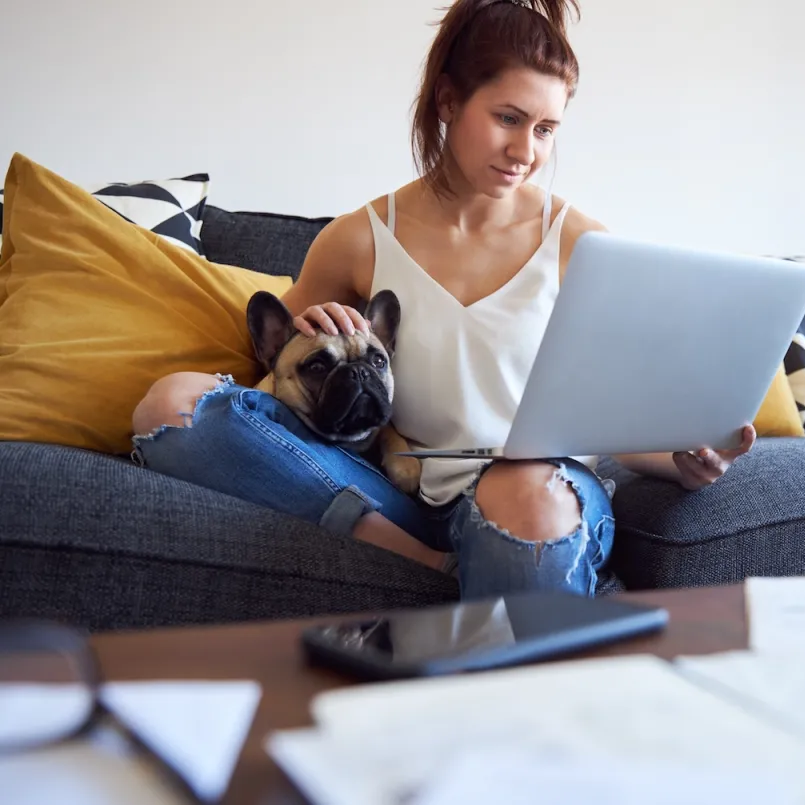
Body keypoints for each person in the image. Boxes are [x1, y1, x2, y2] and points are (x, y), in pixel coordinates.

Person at [130, 0, 755, 599]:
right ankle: (426, 560)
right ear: (448, 102)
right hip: (395, 497)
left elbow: (615, 421)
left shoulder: (579, 243)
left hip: (535, 492)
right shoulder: (357, 238)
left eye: (546, 129)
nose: (526, 152)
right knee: (173, 404)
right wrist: (310, 327)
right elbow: (271, 376)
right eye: (508, 118)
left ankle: (522, 587)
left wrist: (683, 460)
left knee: (523, 495)